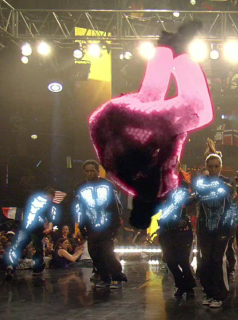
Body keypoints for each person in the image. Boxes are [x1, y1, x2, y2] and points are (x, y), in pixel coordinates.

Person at [89, 21, 213, 229]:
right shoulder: (124, 182)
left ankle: (180, 52)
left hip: (129, 126)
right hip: (107, 118)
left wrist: (182, 127)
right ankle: (164, 48)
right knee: (150, 97)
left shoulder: (159, 188)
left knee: (200, 111)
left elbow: (171, 146)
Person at [74, 160, 126, 289]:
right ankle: (104, 278)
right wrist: (81, 227)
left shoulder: (108, 185)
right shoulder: (80, 187)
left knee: (107, 252)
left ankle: (117, 277)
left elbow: (116, 206)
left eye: (92, 171)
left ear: (98, 171)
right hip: (91, 226)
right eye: (87, 171)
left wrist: (115, 226)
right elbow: (80, 208)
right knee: (94, 253)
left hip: (107, 226)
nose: (89, 173)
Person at [193, 153, 236, 308]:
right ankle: (210, 292)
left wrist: (231, 225)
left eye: (216, 166)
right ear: (206, 167)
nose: (213, 169)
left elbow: (231, 197)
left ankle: (220, 295)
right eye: (210, 166)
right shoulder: (201, 183)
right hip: (204, 227)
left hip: (222, 228)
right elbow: (197, 194)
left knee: (218, 259)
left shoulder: (227, 182)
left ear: (220, 167)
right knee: (206, 261)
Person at [6, 188, 60, 278]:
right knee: (20, 246)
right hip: (30, 229)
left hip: (34, 230)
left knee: (34, 247)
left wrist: (49, 228)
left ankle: (35, 267)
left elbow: (50, 218)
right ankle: (11, 266)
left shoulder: (47, 205)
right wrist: (49, 227)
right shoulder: (38, 202)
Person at [157, 181, 197, 298]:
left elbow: (189, 201)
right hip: (165, 230)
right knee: (170, 261)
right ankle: (182, 285)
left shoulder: (182, 187)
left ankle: (188, 287)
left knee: (183, 261)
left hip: (181, 230)